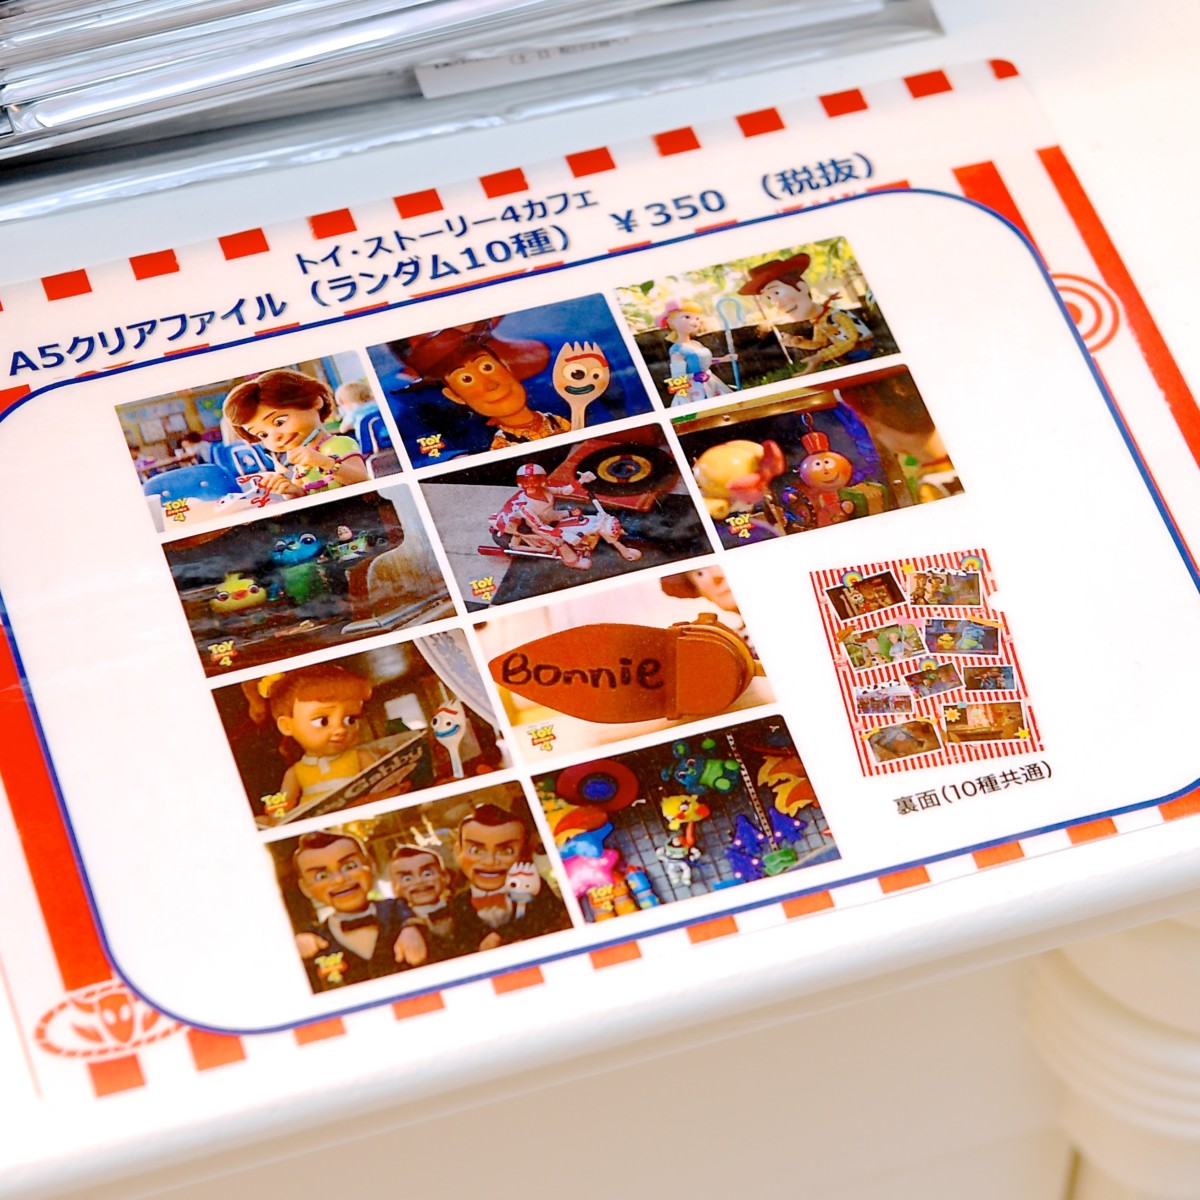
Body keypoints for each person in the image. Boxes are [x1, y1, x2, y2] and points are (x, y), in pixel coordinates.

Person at [394, 322, 569, 451]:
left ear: (505, 367)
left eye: (487, 367)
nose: (490, 384)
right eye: (466, 379)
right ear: (454, 395)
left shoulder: (554, 419)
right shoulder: (500, 443)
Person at [292, 831, 428, 991]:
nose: (339, 879)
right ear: (305, 888)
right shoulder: (317, 936)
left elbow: (417, 917)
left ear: (371, 866)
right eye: (322, 876)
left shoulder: (396, 908)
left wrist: (411, 928)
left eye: (349, 866)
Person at [224, 368, 368, 498]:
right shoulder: (301, 458)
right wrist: (290, 490)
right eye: (263, 435)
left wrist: (324, 462)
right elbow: (304, 493)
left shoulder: (339, 444)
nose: (275, 436)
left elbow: (362, 480)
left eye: (279, 422)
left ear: (315, 401)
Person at [448, 803, 570, 952]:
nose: (489, 861)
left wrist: (504, 935)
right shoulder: (459, 903)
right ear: (458, 852)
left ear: (524, 854)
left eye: (505, 851)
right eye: (476, 850)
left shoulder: (534, 887)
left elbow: (553, 921)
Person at [261, 664, 379, 816]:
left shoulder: (360, 757)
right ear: (287, 726)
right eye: (322, 721)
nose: (340, 729)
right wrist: (274, 815)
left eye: (350, 719)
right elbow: (284, 806)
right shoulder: (296, 772)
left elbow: (382, 785)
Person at [738, 252, 873, 373]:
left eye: (777, 292)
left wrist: (821, 356)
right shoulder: (819, 321)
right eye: (769, 298)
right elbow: (819, 343)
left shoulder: (837, 316)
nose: (776, 303)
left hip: (863, 352)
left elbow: (851, 339)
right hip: (848, 358)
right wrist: (799, 342)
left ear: (802, 287)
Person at [657, 301, 733, 407]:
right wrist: (683, 393)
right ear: (671, 322)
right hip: (693, 387)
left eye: (697, 318)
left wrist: (723, 359)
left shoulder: (696, 343)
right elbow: (678, 374)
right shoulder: (677, 350)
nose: (694, 322)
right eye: (687, 317)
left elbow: (703, 361)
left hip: (710, 381)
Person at [388, 845, 459, 959]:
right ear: (394, 888)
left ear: (445, 877)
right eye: (407, 878)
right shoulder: (396, 925)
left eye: (427, 874)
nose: (419, 881)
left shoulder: (463, 906)